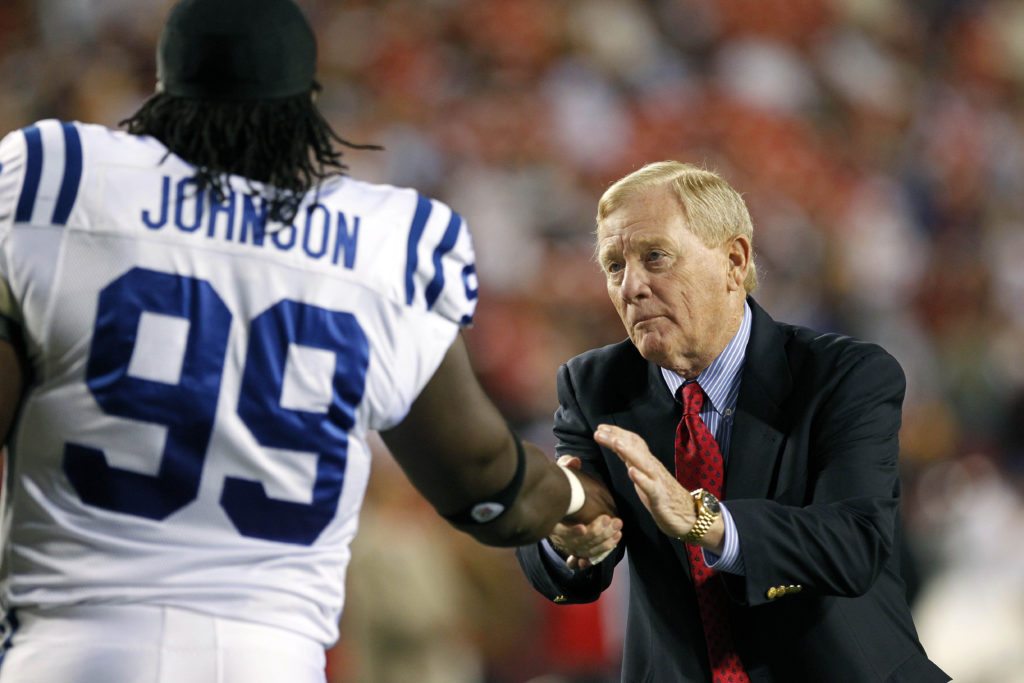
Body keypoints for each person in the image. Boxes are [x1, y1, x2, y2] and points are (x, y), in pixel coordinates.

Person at [0, 1, 614, 681]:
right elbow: (483, 487)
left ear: (161, 90)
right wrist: (577, 497)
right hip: (269, 659)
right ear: (307, 106)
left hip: (76, 651)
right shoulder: (384, 241)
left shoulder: (54, 178)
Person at [515, 161, 950, 682]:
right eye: (614, 265)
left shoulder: (843, 374)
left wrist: (706, 520)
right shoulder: (594, 386)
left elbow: (854, 543)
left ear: (734, 261)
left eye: (655, 257)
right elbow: (573, 570)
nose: (631, 286)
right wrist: (567, 537)